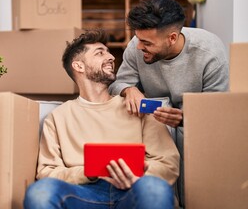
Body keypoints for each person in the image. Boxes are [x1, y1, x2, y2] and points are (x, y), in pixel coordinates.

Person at [24, 29, 180, 209]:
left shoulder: (137, 106)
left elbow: (168, 162)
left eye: (108, 51)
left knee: (153, 188)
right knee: (40, 192)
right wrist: (86, 173)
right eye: (100, 53)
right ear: (79, 66)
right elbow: (46, 172)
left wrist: (140, 174)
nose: (111, 57)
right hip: (83, 193)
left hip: (134, 191)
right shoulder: (58, 117)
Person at [108, 0, 229, 207]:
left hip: (198, 130)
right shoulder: (136, 46)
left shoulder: (210, 54)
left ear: (172, 38)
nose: (139, 47)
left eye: (147, 43)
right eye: (138, 40)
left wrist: (186, 119)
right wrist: (129, 89)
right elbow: (117, 84)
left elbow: (217, 112)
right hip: (153, 126)